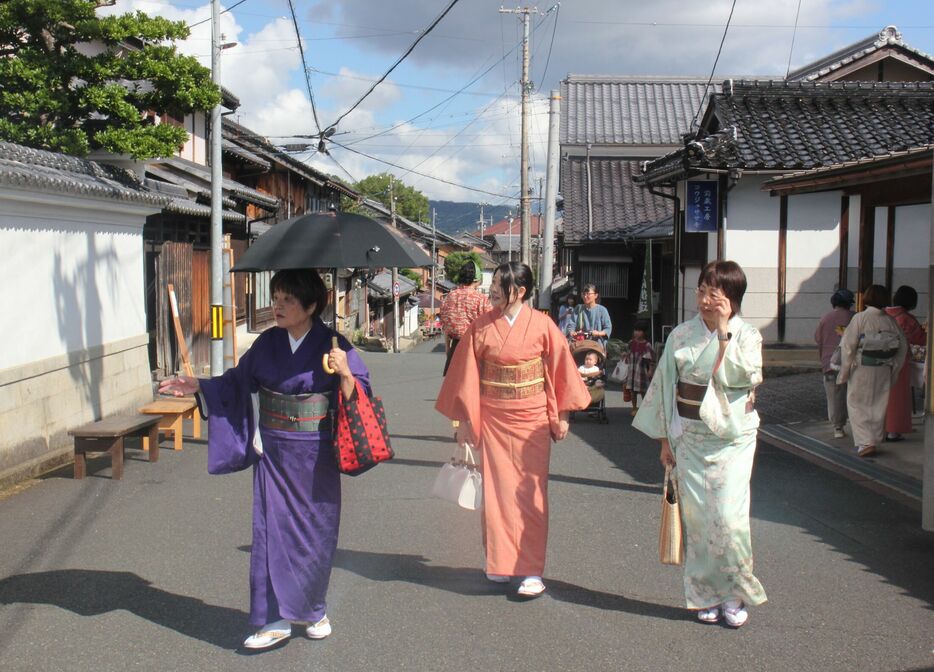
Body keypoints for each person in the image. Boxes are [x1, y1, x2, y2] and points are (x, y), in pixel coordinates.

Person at [159, 269, 370, 651]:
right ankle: (272, 618)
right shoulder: (267, 343)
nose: (278, 306)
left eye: (288, 299)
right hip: (273, 449)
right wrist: (198, 386)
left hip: (316, 451)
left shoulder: (334, 344)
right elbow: (237, 382)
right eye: (276, 297)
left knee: (316, 533)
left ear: (310, 306)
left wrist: (345, 374)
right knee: (271, 531)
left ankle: (314, 608)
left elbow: (362, 393)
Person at [435, 262, 591, 598]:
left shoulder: (543, 325)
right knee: (498, 492)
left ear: (519, 291)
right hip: (493, 416)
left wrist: (562, 411)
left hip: (532, 417)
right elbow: (464, 375)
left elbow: (561, 367)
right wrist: (463, 421)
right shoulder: (481, 326)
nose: (490, 291)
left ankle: (529, 568)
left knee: (530, 493)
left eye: (497, 286)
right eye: (491, 285)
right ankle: (501, 560)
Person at [633, 260, 767, 629]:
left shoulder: (748, 336)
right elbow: (663, 389)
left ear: (733, 299)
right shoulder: (681, 335)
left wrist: (724, 333)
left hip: (732, 438)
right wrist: (665, 440)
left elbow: (743, 376)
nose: (706, 300)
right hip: (689, 436)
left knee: (729, 517)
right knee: (697, 519)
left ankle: (734, 593)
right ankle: (705, 594)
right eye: (702, 291)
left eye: (715, 294)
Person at [837, 285, 907, 458]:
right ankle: (874, 439)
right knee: (878, 403)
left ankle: (865, 442)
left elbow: (848, 346)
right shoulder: (890, 321)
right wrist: (894, 368)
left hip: (863, 367)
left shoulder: (860, 318)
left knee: (857, 403)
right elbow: (903, 346)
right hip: (883, 367)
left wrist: (845, 370)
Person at [885, 286, 926, 441]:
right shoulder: (906, 318)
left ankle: (879, 428)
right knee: (898, 397)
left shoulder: (884, 314)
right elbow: (921, 338)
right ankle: (894, 430)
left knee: (882, 396)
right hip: (900, 361)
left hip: (881, 360)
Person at [814, 289, 855, 439]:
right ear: (849, 303)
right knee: (853, 394)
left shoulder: (825, 318)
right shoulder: (855, 317)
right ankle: (856, 424)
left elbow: (818, 338)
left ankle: (838, 427)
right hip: (852, 362)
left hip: (829, 362)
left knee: (833, 395)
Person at [439, 259, 491, 376]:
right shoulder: (481, 299)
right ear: (477, 279)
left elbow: (446, 326)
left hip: (455, 347)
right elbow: (490, 327)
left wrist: (448, 347)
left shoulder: (449, 297)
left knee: (454, 388)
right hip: (475, 348)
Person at [624, 322, 656, 416]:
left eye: (639, 331)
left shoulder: (647, 345)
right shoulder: (631, 343)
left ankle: (645, 408)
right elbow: (628, 352)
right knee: (632, 391)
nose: (637, 333)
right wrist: (625, 355)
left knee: (643, 390)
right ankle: (634, 408)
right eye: (635, 330)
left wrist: (650, 370)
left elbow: (651, 360)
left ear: (644, 333)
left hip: (642, 371)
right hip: (632, 370)